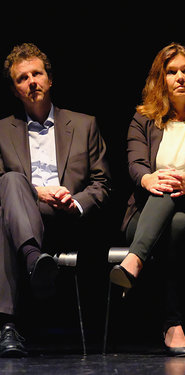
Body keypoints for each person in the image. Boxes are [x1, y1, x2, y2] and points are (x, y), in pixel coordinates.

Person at [109, 42, 185, 357]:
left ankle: (133, 262)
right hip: (143, 218)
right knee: (165, 198)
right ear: (160, 79)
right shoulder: (142, 119)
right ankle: (173, 323)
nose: (180, 78)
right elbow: (135, 162)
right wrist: (148, 178)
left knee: (176, 216)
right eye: (172, 72)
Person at [0, 43, 111, 357]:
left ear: (49, 79)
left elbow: (102, 183)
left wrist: (73, 201)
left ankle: (9, 326)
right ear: (14, 88)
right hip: (23, 216)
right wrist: (35, 192)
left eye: (37, 74)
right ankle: (34, 260)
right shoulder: (1, 131)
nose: (32, 81)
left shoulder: (84, 124)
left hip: (69, 220)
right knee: (8, 182)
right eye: (23, 78)